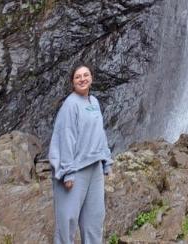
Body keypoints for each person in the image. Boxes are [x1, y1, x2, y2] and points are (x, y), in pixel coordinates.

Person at [48, 64, 113, 244]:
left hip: (95, 168)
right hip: (75, 171)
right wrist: (68, 171)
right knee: (67, 221)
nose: (82, 79)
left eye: (86, 75)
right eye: (78, 77)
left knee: (94, 220)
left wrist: (106, 160)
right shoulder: (70, 105)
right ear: (72, 82)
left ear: (91, 78)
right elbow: (65, 138)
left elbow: (100, 133)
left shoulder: (94, 102)